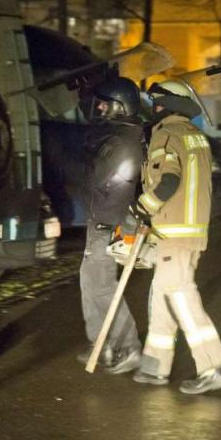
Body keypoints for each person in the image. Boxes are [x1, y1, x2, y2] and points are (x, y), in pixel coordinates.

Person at [133, 79, 221, 394]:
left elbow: (168, 182)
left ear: (169, 105)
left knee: (181, 297)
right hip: (191, 231)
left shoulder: (166, 134)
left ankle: (212, 366)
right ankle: (155, 367)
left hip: (173, 231)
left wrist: (142, 207)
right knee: (164, 296)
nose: (153, 108)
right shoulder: (196, 136)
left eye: (157, 102)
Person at [76, 76, 144, 375]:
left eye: (104, 104)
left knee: (102, 286)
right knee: (90, 281)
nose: (98, 109)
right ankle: (102, 343)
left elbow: (112, 182)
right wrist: (83, 91)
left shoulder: (121, 141)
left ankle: (128, 346)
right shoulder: (117, 134)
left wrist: (109, 224)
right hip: (102, 220)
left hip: (109, 222)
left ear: (119, 106)